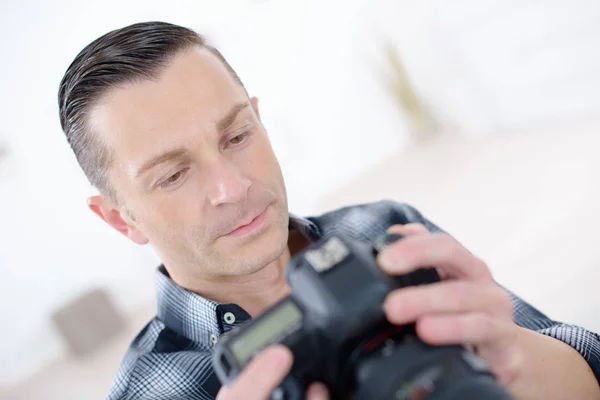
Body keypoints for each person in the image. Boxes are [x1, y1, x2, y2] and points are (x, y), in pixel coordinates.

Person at [57, 21, 600, 400]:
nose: (233, 185)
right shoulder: (154, 392)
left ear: (259, 119)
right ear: (119, 218)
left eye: (237, 135)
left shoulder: (382, 231)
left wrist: (516, 357)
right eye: (173, 174)